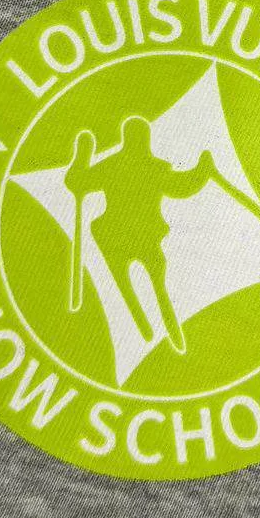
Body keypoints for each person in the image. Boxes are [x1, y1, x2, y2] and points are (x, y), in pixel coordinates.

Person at [63, 117, 216, 354]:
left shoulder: (114, 165)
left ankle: (150, 319)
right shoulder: (153, 167)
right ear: (145, 139)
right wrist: (204, 168)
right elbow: (184, 185)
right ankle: (145, 317)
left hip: (123, 234)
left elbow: (78, 180)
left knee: (153, 279)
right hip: (132, 234)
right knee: (151, 279)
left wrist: (82, 158)